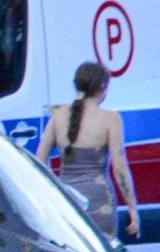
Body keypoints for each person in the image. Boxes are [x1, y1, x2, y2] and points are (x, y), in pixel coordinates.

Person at [35, 61, 139, 238]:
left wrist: (56, 190)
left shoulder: (58, 116)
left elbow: (39, 161)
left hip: (67, 204)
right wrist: (132, 207)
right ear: (102, 87)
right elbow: (120, 169)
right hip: (100, 203)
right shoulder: (111, 119)